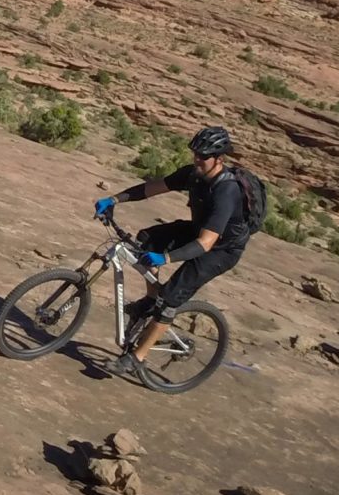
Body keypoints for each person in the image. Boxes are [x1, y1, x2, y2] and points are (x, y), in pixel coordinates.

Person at [91, 125, 255, 376]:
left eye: (203, 156)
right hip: (199, 231)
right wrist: (113, 199)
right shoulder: (193, 175)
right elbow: (151, 188)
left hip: (221, 249)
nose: (197, 159)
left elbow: (205, 244)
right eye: (196, 154)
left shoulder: (226, 191)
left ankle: (137, 358)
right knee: (148, 239)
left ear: (219, 160)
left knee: (170, 297)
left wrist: (166, 258)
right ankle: (149, 301)